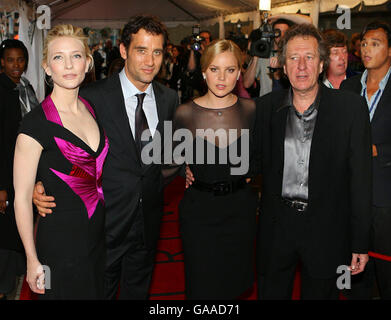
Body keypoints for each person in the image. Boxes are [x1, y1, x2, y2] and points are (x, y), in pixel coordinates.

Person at [33, 15, 179, 300]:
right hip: (103, 223)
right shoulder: (91, 96)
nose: (150, 60)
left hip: (147, 222)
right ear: (124, 50)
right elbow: (55, 139)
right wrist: (40, 183)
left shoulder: (169, 99)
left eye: (157, 51)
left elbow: (167, 154)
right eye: (141, 50)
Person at [255, 23, 372, 299]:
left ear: (321, 64)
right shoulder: (265, 108)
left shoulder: (350, 109)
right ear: (283, 67)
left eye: (309, 57)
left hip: (327, 230)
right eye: (293, 58)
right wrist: (195, 168)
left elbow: (361, 180)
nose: (301, 66)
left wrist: (360, 242)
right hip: (276, 228)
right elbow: (248, 160)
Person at [13, 24, 108, 299]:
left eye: (76, 56)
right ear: (46, 67)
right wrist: (31, 259)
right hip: (57, 244)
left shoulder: (92, 108)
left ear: (88, 63)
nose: (68, 65)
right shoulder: (35, 124)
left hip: (96, 239)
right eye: (58, 57)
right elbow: (21, 199)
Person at [169, 39, 258, 299]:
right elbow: (168, 159)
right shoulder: (184, 113)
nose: (222, 77)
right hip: (199, 213)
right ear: (204, 71)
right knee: (202, 286)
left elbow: (264, 156)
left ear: (239, 73)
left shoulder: (252, 110)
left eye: (230, 70)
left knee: (235, 286)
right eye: (215, 69)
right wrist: (181, 168)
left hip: (240, 211)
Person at [341, 21, 391, 300]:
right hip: (349, 195)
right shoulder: (348, 87)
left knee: (386, 273)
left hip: (385, 197)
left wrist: (374, 150)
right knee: (353, 273)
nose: (367, 49)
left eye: (376, 43)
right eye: (364, 43)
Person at [0, 39, 38, 300]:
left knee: (18, 226)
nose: (16, 65)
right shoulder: (2, 91)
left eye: (20, 60)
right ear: (2, 62)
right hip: (5, 171)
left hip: (23, 169)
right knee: (5, 232)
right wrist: (1, 186)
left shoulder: (24, 88)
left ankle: (13, 277)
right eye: (11, 60)